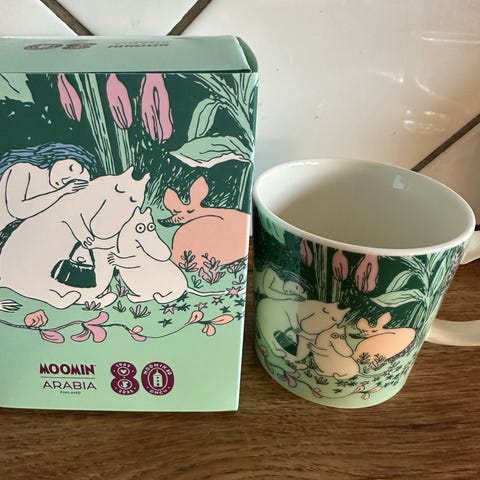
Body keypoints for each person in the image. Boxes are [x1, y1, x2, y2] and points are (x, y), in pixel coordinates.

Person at [0, 142, 99, 250]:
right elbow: (17, 210)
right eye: (71, 168)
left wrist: (84, 235)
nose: (66, 180)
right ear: (62, 155)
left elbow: (69, 215)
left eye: (74, 182)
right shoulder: (22, 170)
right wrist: (62, 191)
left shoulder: (58, 196)